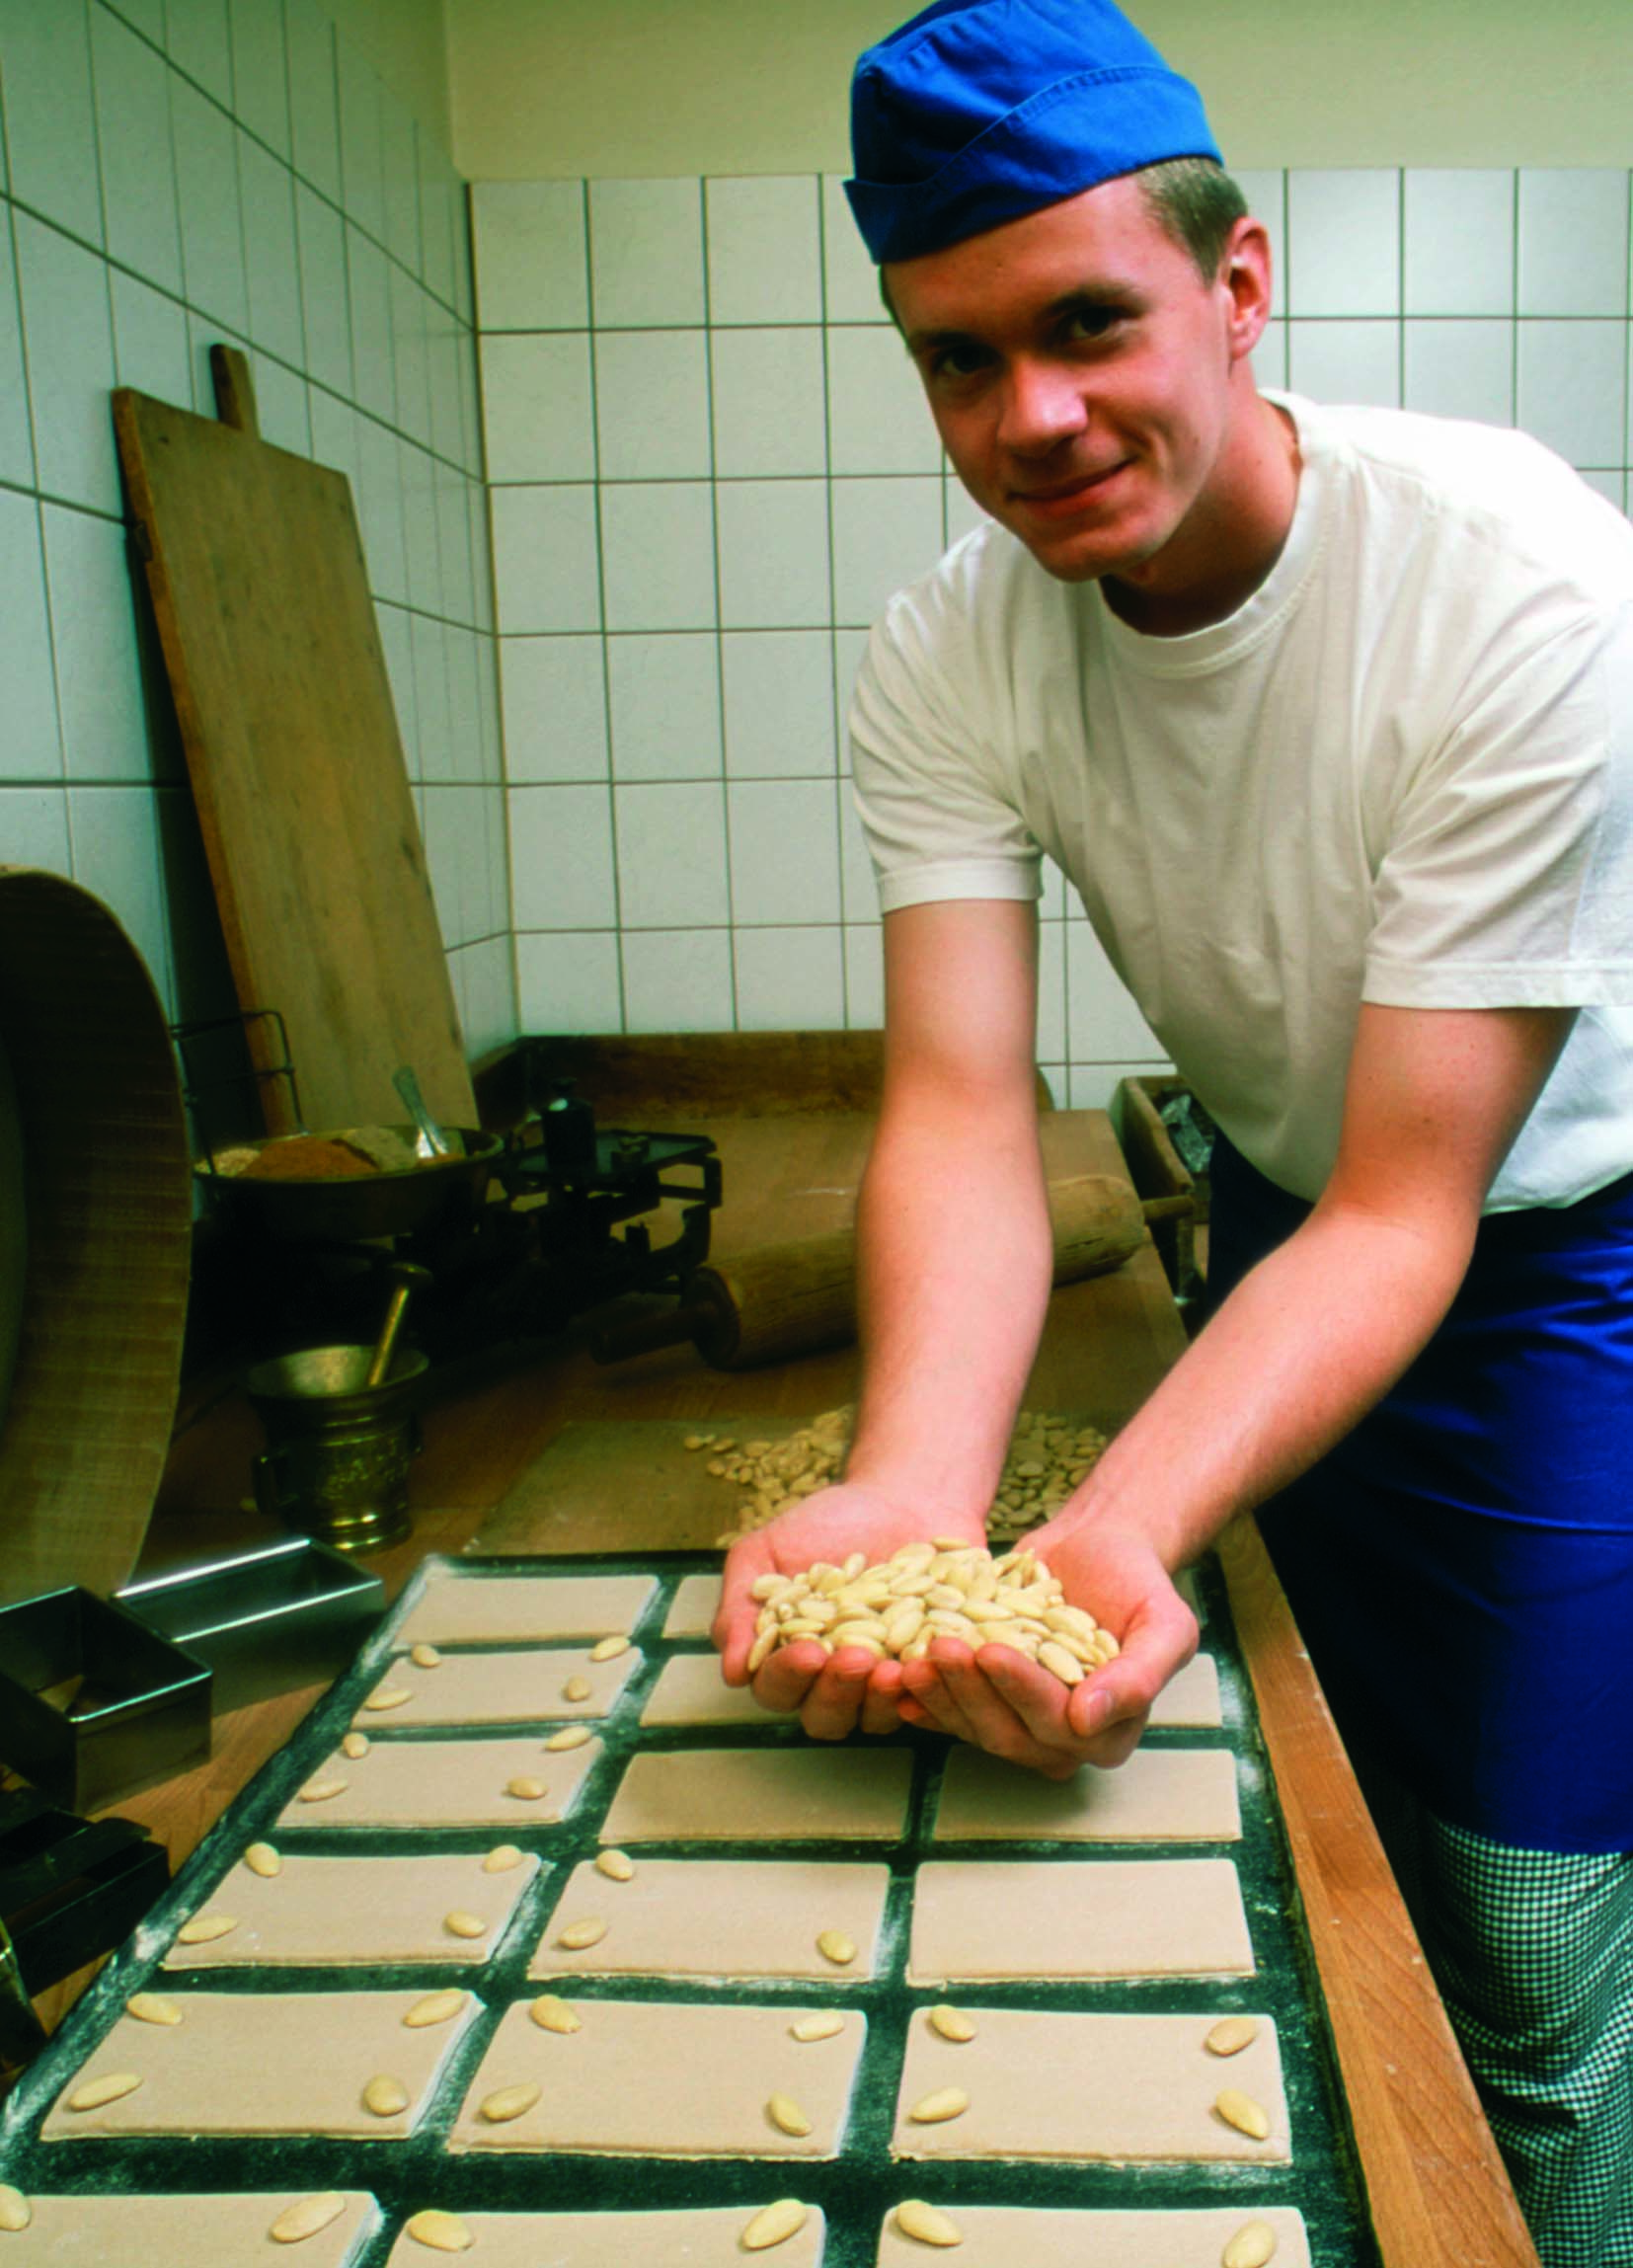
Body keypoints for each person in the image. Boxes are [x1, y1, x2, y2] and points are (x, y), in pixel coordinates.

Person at [712, 2, 1633, 2260]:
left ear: (1235, 289)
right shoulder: (951, 646)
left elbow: (1418, 1202)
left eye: (1084, 324)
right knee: (1305, 1802)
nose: (1023, 418)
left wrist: (1095, 1532)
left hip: (1550, 1251)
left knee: (1526, 1910)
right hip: (1280, 1208)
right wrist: (923, 1491)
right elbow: (954, 1103)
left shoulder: (1509, 580)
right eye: (951, 359)